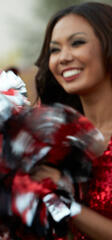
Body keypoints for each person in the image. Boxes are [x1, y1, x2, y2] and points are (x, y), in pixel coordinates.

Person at [34, 2, 112, 239]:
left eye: (77, 43)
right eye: (55, 50)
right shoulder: (54, 140)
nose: (63, 58)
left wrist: (61, 196)